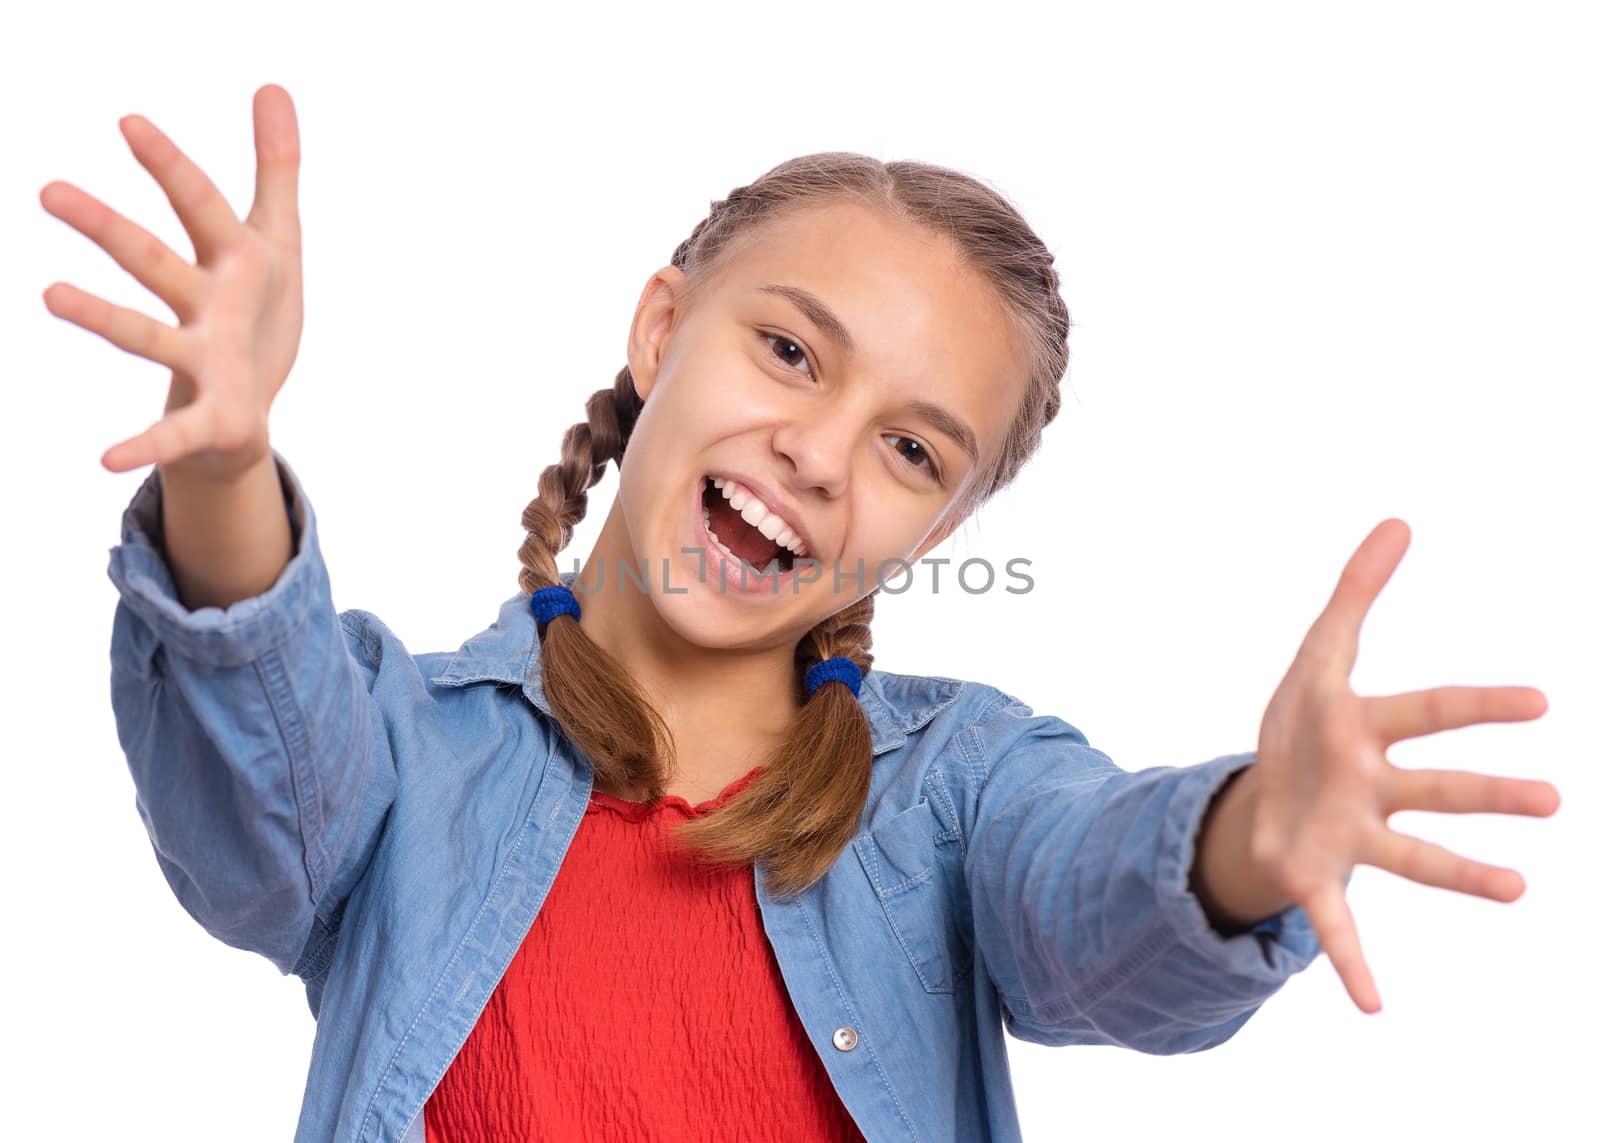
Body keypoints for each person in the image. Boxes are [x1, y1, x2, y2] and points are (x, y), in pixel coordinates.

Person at [48, 83, 1560, 1142]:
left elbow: (1096, 900)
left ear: (944, 524)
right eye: (788, 351)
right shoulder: (405, 758)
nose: (820, 457)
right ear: (661, 329)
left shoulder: (959, 792)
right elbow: (259, 792)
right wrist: (228, 463)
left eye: (913, 450)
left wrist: (1248, 842)